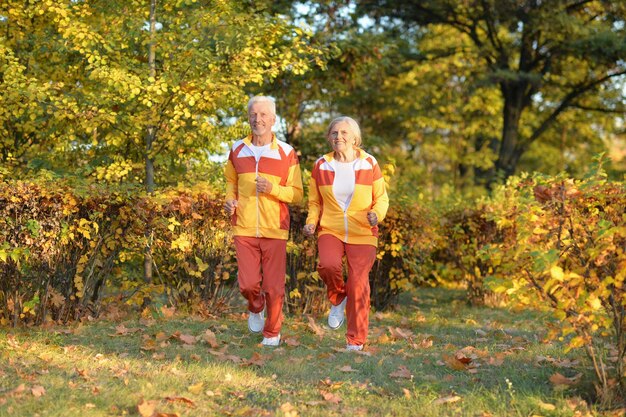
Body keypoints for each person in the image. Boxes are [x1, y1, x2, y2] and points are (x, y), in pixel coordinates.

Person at [303, 116, 389, 351]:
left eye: (343, 133)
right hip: (330, 228)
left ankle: (356, 340)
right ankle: (338, 297)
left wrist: (376, 214)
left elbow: (381, 197)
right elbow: (314, 201)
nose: (338, 137)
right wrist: (312, 222)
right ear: (329, 137)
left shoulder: (369, 163)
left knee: (359, 285)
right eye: (334, 133)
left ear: (354, 138)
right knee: (328, 265)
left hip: (363, 231)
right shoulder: (321, 165)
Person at [224, 95, 303, 347]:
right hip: (244, 226)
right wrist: (229, 201)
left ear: (273, 119)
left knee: (274, 286)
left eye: (263, 115)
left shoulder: (286, 153)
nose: (258, 119)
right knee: (248, 284)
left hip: (274, 228)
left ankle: (272, 332)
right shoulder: (237, 149)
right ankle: (255, 307)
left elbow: (297, 194)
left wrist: (272, 188)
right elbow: (230, 183)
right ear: (249, 118)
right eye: (253, 115)